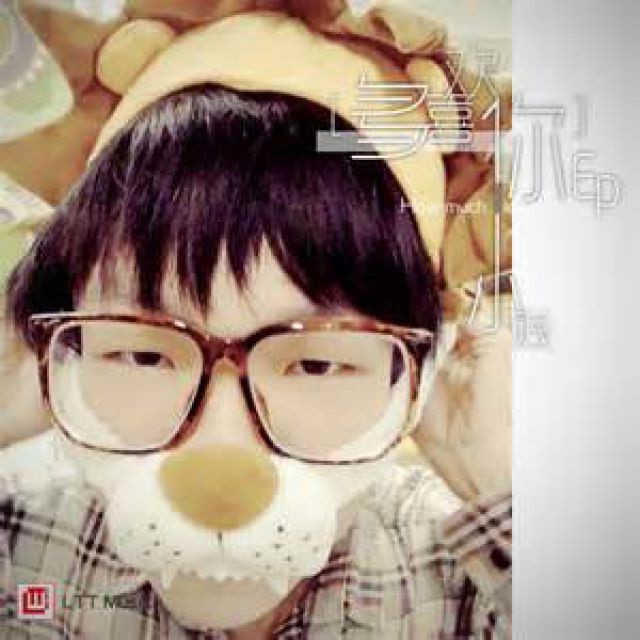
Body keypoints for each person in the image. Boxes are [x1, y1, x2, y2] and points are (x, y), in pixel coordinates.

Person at [0, 12, 511, 640]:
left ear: (416, 379)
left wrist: (495, 476)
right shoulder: (25, 550)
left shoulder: (464, 581)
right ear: (58, 350)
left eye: (318, 363)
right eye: (143, 355)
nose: (221, 449)